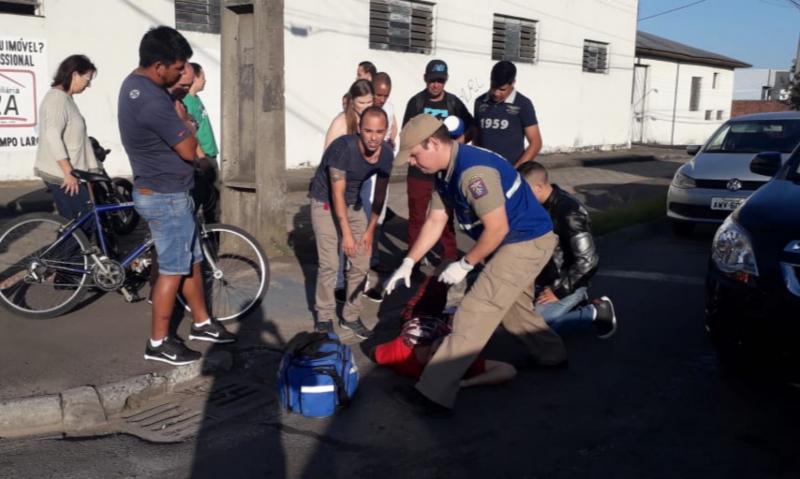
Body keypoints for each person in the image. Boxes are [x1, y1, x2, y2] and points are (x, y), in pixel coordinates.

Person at [385, 114, 566, 416]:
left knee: (474, 310)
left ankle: (433, 394)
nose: (413, 163)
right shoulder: (445, 172)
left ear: (432, 143)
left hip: (525, 241)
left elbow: (497, 228)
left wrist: (466, 264)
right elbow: (436, 220)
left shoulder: (473, 173)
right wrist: (408, 261)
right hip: (514, 240)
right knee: (512, 310)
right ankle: (553, 356)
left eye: (415, 155)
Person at [118, 26, 235, 366]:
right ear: (159, 66)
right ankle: (157, 342)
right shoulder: (154, 101)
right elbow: (187, 150)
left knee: (192, 261)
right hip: (165, 195)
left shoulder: (136, 84)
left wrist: (179, 113)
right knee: (172, 269)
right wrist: (189, 123)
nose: (182, 73)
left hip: (166, 191)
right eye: (178, 67)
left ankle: (201, 323)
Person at [309, 106, 393, 339]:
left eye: (379, 131)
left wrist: (369, 230)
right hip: (325, 201)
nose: (373, 137)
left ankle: (350, 315)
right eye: (368, 131)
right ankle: (324, 317)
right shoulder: (342, 148)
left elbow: (379, 196)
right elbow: (337, 195)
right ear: (359, 129)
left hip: (353, 202)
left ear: (385, 132)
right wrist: (346, 234)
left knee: (362, 260)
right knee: (330, 263)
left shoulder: (386, 153)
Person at [518, 162, 617, 338]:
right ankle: (574, 305)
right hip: (542, 278)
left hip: (565, 280)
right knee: (514, 317)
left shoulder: (569, 212)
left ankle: (596, 312)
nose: (520, 196)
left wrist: (558, 291)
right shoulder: (538, 205)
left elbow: (588, 261)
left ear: (539, 187)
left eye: (523, 191)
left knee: (535, 327)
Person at [402, 59, 475, 265]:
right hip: (419, 172)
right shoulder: (416, 102)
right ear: (425, 78)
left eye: (440, 81)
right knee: (416, 216)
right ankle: (413, 258)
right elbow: (406, 133)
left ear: (446, 80)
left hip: (444, 170)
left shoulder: (453, 103)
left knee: (444, 215)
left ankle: (449, 255)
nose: (436, 85)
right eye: (433, 80)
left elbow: (471, 126)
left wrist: (459, 143)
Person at [34, 55, 100, 228]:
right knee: (81, 222)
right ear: (75, 74)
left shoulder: (66, 98)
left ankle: (70, 255)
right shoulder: (57, 99)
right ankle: (62, 255)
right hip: (62, 175)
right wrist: (68, 172)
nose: (88, 84)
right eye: (87, 78)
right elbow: (53, 136)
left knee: (77, 223)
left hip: (68, 173)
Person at [326, 80, 375, 303]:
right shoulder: (341, 122)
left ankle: (359, 279)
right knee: (341, 235)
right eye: (361, 102)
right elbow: (328, 159)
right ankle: (339, 282)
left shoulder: (372, 120)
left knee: (361, 232)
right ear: (352, 101)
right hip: (340, 184)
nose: (366, 106)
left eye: (370, 101)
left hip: (362, 183)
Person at [473, 61, 542, 168]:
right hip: (484, 171)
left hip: (511, 171)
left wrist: (516, 171)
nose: (496, 93)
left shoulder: (523, 104)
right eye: (493, 86)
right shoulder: (480, 102)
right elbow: (476, 137)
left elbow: (536, 143)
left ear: (513, 83)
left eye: (502, 89)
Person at [183, 62, 219, 224]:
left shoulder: (196, 99)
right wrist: (201, 157)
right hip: (202, 157)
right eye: (203, 77)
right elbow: (191, 132)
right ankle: (208, 235)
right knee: (203, 197)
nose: (205, 80)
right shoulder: (187, 102)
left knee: (212, 198)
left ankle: (213, 234)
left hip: (209, 154)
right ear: (194, 77)